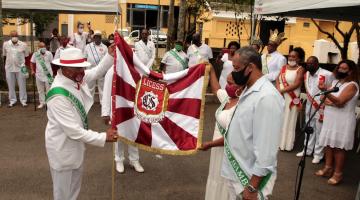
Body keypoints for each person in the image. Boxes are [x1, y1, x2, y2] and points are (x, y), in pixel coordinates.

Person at [46, 47, 118, 200]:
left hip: (76, 148)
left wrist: (110, 55)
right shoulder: (58, 94)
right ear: (65, 68)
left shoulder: (74, 78)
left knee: (73, 191)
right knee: (62, 195)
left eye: (82, 68)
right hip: (62, 150)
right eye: (77, 68)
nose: (82, 71)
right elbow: (73, 131)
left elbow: (96, 72)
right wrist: (104, 137)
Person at [221, 47, 284, 200]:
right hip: (238, 173)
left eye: (236, 68)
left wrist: (252, 186)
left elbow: (266, 149)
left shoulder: (267, 96)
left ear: (250, 67)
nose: (233, 72)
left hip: (249, 180)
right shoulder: (248, 89)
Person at [198, 66, 243, 200]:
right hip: (217, 150)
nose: (227, 86)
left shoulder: (243, 105)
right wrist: (211, 71)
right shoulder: (227, 98)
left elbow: (233, 135)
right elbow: (216, 88)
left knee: (227, 182)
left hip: (230, 151)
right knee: (216, 176)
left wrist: (209, 144)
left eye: (230, 83)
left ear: (241, 86)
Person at [315, 60, 359, 185]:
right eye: (339, 67)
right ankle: (328, 168)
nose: (340, 70)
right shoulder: (335, 82)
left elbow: (340, 102)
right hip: (331, 118)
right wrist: (329, 98)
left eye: (344, 68)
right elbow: (323, 98)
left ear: (350, 71)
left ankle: (338, 173)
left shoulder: (352, 85)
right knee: (329, 144)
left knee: (339, 147)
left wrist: (328, 95)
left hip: (343, 121)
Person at [101, 67, 145, 173]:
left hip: (132, 107)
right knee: (118, 135)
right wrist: (105, 112)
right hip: (117, 107)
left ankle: (134, 160)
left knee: (133, 134)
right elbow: (106, 92)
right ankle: (119, 159)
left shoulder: (135, 69)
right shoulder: (112, 70)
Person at [296, 56, 334, 164]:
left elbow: (332, 89)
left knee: (319, 130)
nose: (309, 65)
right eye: (307, 63)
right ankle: (307, 150)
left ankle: (318, 154)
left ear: (317, 63)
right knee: (309, 128)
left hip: (321, 107)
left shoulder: (327, 74)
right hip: (309, 105)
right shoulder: (306, 74)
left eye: (311, 63)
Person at [277, 47, 305, 151]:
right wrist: (278, 90)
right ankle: (279, 143)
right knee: (281, 120)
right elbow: (277, 79)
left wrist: (282, 91)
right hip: (281, 97)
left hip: (292, 98)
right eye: (290, 56)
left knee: (290, 120)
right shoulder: (283, 68)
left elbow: (297, 84)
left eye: (294, 56)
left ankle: (287, 145)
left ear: (299, 59)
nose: (291, 58)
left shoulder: (300, 69)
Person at [2, 30, 29, 107]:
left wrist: (25, 67)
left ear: (18, 36)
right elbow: (4, 56)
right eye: (13, 36)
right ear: (10, 36)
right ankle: (12, 101)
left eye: (16, 36)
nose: (14, 37)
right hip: (9, 68)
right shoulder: (6, 44)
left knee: (22, 85)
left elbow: (26, 57)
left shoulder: (23, 44)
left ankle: (23, 101)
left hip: (20, 68)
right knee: (10, 85)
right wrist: (6, 66)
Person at [84, 30, 108, 104]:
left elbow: (107, 60)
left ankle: (102, 103)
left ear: (101, 38)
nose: (97, 39)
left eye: (99, 37)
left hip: (101, 70)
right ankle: (89, 103)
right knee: (90, 88)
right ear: (93, 38)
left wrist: (106, 70)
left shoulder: (104, 47)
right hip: (90, 70)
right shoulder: (88, 46)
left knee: (102, 87)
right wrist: (84, 69)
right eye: (96, 37)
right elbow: (84, 58)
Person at [30, 42, 54, 109]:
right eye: (41, 47)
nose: (43, 48)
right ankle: (42, 103)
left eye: (44, 46)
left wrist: (51, 72)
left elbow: (52, 62)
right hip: (39, 75)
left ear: (45, 47)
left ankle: (49, 103)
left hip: (48, 75)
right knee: (40, 90)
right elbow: (32, 62)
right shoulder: (36, 54)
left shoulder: (49, 53)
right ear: (38, 48)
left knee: (48, 90)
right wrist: (32, 70)